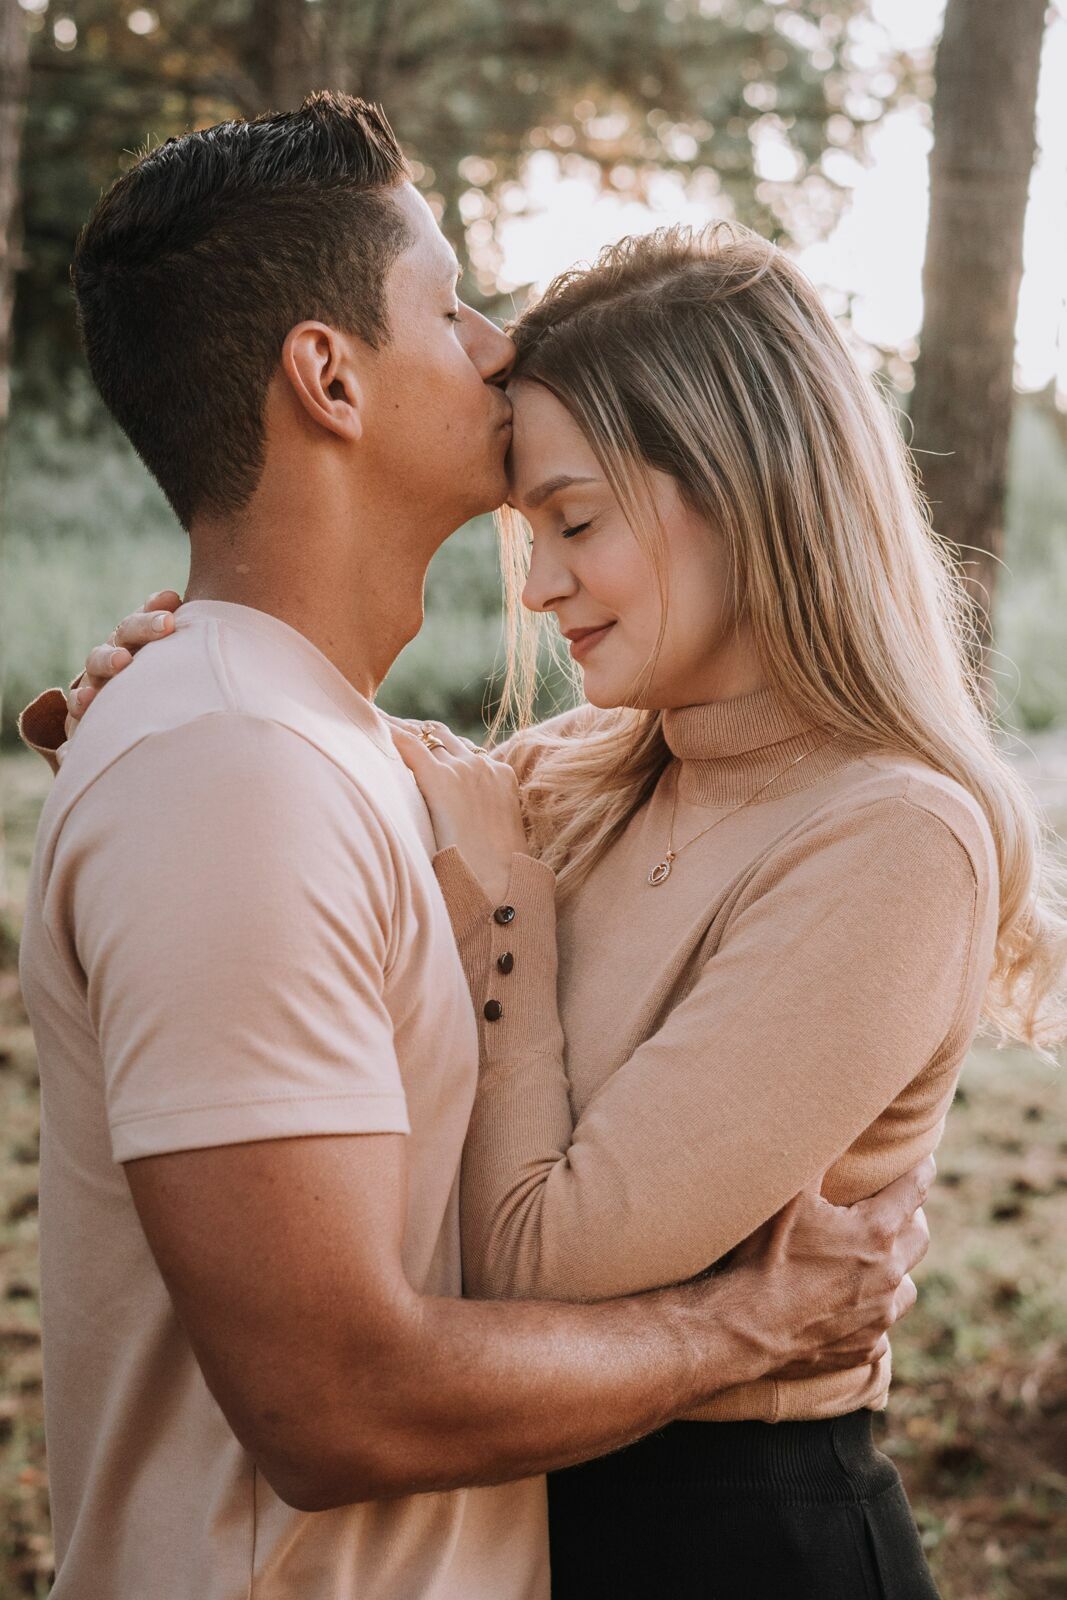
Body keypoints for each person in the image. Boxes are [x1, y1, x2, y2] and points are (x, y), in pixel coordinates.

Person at [47, 224, 1066, 1599]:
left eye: (576, 522)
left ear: (749, 493)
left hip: (736, 1545)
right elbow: (291, 778)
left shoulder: (893, 837)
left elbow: (537, 1263)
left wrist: (508, 910)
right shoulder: (584, 769)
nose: (537, 587)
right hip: (522, 1508)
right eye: (533, 531)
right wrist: (159, 684)